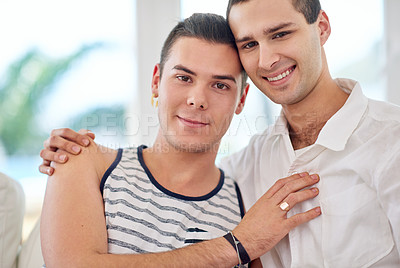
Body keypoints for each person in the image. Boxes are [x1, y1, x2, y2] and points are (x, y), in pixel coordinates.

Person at [41, 0, 400, 267]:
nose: (266, 59)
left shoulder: (391, 140)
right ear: (156, 80)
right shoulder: (245, 172)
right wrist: (237, 243)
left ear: (321, 27)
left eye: (281, 34)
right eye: (249, 44)